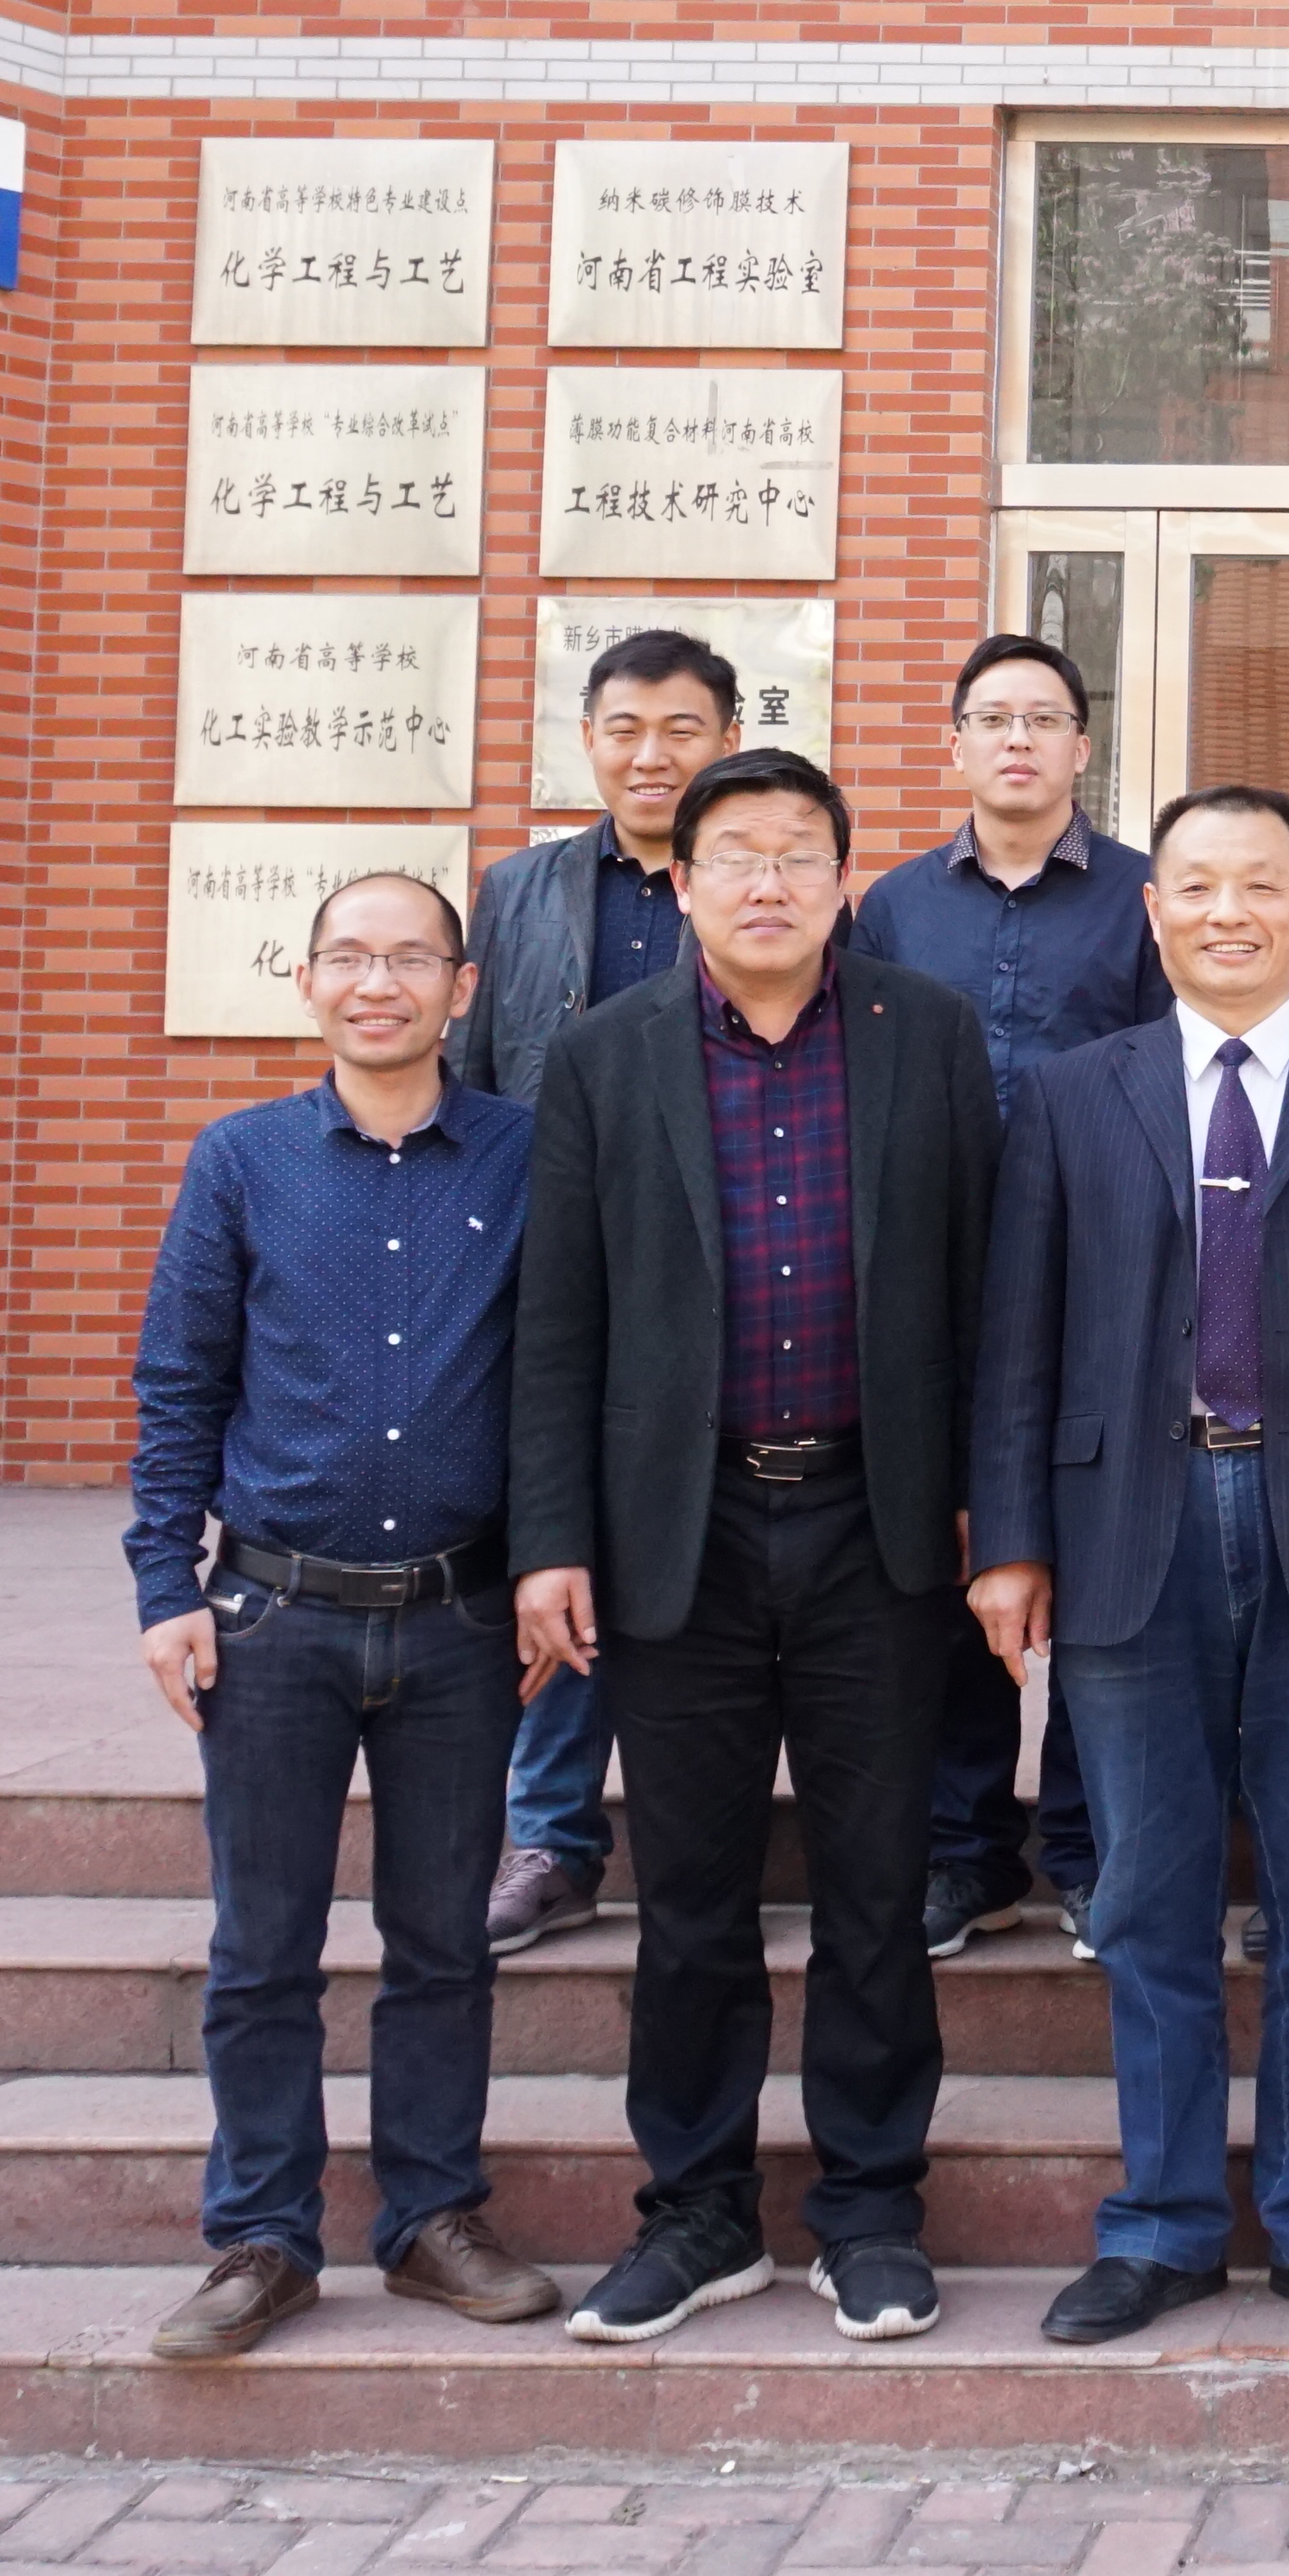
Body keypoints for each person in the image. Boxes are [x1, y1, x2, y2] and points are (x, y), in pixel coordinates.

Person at [964, 785, 1289, 2351]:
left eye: (1261, 883)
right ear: (1154, 909)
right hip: (1134, 1530)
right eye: (1196, 885)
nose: (1228, 911)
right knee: (1147, 1899)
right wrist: (1011, 1544)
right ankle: (1167, 2223)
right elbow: (1018, 1339)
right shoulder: (1074, 1094)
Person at [507, 752, 996, 2350]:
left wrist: (997, 1512)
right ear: (688, 883)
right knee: (695, 1897)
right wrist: (552, 1540)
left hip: (876, 1521)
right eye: (738, 855)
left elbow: (985, 1289)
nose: (768, 881)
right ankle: (699, 2212)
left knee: (873, 1888)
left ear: (849, 880)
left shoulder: (925, 1035)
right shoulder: (603, 1056)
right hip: (681, 1532)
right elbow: (558, 1318)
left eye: (799, 852)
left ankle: (870, 2210)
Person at [124, 867, 561, 2362]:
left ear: (463, 987)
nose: (380, 983)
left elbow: (564, 1379)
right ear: (308, 982)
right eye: (349, 958)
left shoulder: (525, 1154)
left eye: (411, 959)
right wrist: (160, 1588)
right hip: (272, 1617)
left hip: (458, 1622)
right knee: (264, 1948)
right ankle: (260, 2238)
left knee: (442, 1942)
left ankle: (434, 2217)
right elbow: (178, 1385)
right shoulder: (241, 1160)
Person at [850, 631, 1174, 1967]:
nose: (1021, 740)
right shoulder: (894, 906)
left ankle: (1092, 1858)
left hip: (1107, 1266)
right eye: (995, 718)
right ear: (957, 744)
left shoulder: (1152, 895)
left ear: (1084, 747)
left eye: (1046, 718)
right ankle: (963, 1854)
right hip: (933, 1271)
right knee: (951, 1567)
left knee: (1099, 1562)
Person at [449, 625, 740, 1961]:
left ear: (727, 740)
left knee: (681, 1559)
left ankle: (688, 1836)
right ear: (588, 740)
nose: (652, 753)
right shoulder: (517, 894)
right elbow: (468, 1085)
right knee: (556, 1553)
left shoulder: (762, 879)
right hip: (553, 1272)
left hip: (725, 1280)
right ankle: (550, 1835)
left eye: (682, 729)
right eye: (626, 727)